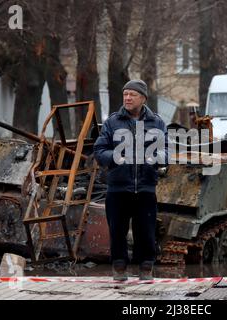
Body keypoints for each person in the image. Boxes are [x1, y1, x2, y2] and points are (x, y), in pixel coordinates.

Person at [93, 80, 168, 281]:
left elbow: (166, 151)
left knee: (146, 231)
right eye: (125, 94)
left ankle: (146, 268)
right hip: (118, 188)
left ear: (143, 98)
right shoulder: (112, 122)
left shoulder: (157, 123)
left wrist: (154, 157)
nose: (127, 98)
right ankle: (119, 268)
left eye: (132, 94)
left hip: (145, 187)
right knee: (117, 230)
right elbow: (99, 151)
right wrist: (117, 157)